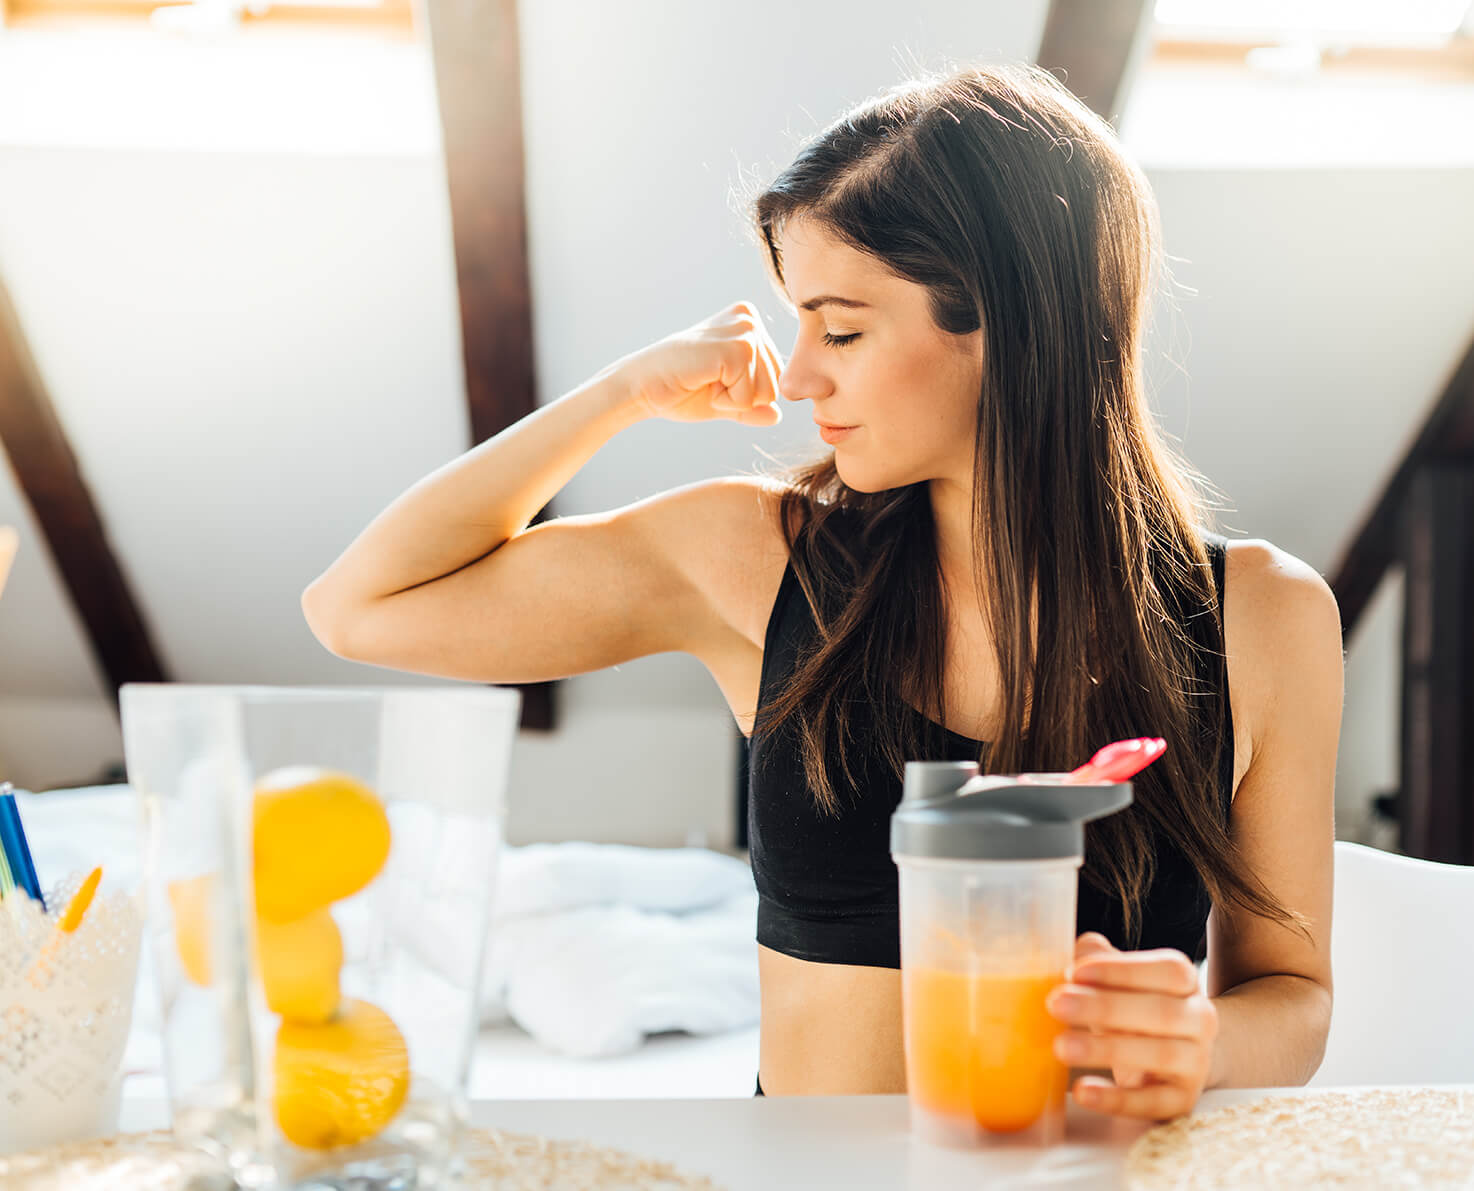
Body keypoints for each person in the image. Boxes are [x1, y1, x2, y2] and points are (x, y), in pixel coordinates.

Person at [302, 62, 1342, 1122]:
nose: (797, 376)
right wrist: (623, 395)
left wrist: (1199, 1040)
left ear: (1010, 325)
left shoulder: (1261, 617)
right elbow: (361, 608)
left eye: (839, 329)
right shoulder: (750, 560)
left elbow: (1291, 998)